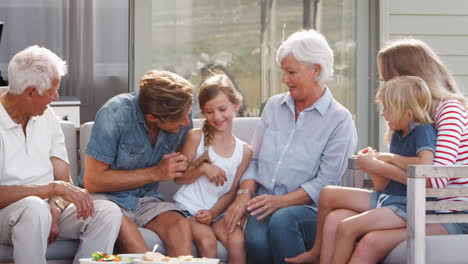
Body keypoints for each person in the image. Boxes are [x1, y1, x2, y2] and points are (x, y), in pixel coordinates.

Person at [287, 38, 468, 264]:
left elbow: (435, 180)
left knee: (369, 242)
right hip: (413, 203)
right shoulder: (411, 123)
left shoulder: (449, 110)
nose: (385, 91)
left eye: (388, 80)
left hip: (447, 213)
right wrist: (376, 166)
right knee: (335, 218)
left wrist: (380, 163)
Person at [222, 29, 358, 264]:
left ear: (316, 70)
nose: (284, 79)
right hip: (265, 203)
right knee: (255, 240)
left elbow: (325, 182)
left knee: (283, 220)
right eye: (283, 71)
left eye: (291, 72)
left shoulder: (339, 120)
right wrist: (244, 194)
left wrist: (281, 202)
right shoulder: (274, 106)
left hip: (310, 211)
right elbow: (254, 159)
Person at [286, 75, 437, 264]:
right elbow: (381, 186)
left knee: (347, 227)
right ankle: (316, 253)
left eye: (387, 109)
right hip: (388, 198)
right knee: (327, 194)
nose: (383, 114)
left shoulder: (423, 131)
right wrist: (371, 165)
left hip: (407, 206)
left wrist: (388, 158)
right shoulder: (398, 135)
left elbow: (425, 166)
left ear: (407, 113)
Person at [0, 45, 122, 264]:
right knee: (33, 208)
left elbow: (62, 179)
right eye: (51, 92)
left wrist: (54, 210)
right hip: (8, 214)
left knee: (107, 212)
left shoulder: (47, 117)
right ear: (30, 92)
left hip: (45, 208)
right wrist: (50, 191)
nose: (55, 97)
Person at [80, 70, 194, 256]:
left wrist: (204, 165)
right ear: (152, 118)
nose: (186, 122)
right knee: (128, 234)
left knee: (179, 225)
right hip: (107, 199)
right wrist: (156, 173)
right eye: (179, 119)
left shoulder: (181, 113)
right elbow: (92, 181)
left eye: (187, 114)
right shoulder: (114, 115)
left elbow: (185, 170)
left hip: (147, 199)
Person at [173, 73, 253, 264]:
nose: (217, 116)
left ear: (236, 106)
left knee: (237, 241)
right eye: (209, 112)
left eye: (222, 109)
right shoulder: (196, 137)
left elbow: (231, 191)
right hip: (188, 210)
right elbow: (179, 178)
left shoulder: (245, 151)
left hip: (217, 212)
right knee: (207, 241)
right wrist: (203, 168)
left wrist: (214, 213)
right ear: (203, 112)